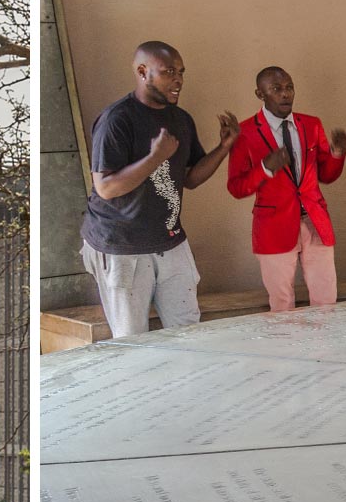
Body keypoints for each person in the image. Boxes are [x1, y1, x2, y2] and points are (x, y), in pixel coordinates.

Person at [79, 41, 236, 337]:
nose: (178, 80)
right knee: (132, 339)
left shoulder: (181, 120)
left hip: (170, 241)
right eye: (169, 72)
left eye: (181, 72)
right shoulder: (117, 120)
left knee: (188, 333)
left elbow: (190, 178)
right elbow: (107, 188)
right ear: (142, 72)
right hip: (121, 245)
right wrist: (154, 158)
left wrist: (224, 147)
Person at [225, 66, 346, 311]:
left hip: (315, 221)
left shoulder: (311, 125)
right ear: (260, 94)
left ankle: (326, 350)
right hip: (274, 227)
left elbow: (326, 175)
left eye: (289, 87)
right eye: (276, 89)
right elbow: (236, 187)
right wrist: (265, 168)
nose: (286, 94)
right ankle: (287, 350)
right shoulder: (245, 132)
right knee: (282, 305)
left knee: (327, 300)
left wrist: (337, 153)